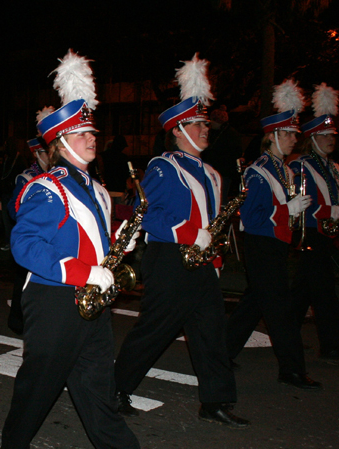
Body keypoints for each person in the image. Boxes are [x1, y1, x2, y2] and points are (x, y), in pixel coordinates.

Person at [1, 50, 169, 449]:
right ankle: (14, 445)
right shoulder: (46, 189)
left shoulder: (96, 188)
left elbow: (95, 241)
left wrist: (121, 245)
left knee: (98, 389)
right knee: (40, 385)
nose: (92, 137)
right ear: (60, 141)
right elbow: (24, 246)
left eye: (92, 130)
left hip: (92, 301)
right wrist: (84, 272)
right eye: (82, 132)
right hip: (55, 300)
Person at [113, 53, 247, 428]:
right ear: (177, 129)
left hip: (203, 264)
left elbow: (215, 226)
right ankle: (117, 388)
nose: (206, 129)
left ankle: (216, 401)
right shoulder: (162, 166)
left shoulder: (214, 175)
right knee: (154, 331)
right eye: (198, 124)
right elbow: (147, 213)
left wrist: (216, 260)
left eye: (206, 123)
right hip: (170, 260)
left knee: (211, 332)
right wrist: (190, 233)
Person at [225, 79, 323, 390]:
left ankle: (222, 351)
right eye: (290, 133)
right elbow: (250, 217)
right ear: (273, 136)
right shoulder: (258, 171)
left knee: (255, 303)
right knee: (280, 310)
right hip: (261, 245)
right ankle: (291, 369)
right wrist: (286, 211)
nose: (295, 138)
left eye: (296, 133)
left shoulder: (286, 171)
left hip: (277, 245)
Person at [289, 84, 339, 366]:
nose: (331, 139)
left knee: (302, 293)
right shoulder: (301, 166)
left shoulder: (333, 167)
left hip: (325, 236)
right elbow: (300, 202)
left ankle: (286, 335)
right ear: (312, 138)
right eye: (324, 135)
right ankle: (332, 346)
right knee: (324, 292)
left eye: (332, 134)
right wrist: (327, 212)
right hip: (311, 233)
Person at [5, 122, 53, 334]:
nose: (50, 156)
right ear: (36, 154)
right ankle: (18, 320)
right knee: (24, 282)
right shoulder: (26, 178)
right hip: (33, 237)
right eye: (45, 152)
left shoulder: (56, 177)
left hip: (51, 238)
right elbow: (13, 207)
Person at [202, 105, 243, 203]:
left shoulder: (228, 135)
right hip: (218, 170)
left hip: (223, 171)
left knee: (220, 198)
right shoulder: (221, 132)